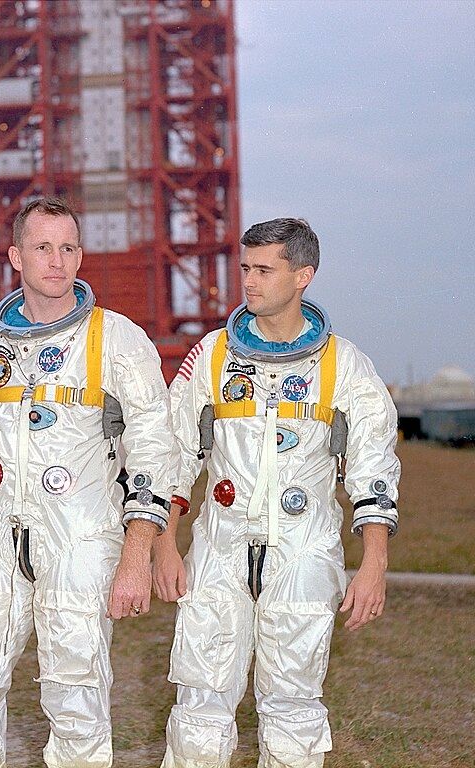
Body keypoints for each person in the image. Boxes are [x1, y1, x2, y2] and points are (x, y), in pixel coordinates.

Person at [0, 197, 178, 768]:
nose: (57, 261)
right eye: (43, 247)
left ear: (81, 256)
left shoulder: (116, 339)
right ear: (15, 256)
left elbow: (154, 454)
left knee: (76, 704)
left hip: (80, 543)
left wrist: (136, 557)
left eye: (67, 248)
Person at [154, 218, 400, 768]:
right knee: (200, 707)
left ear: (303, 275)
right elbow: (173, 455)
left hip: (303, 551)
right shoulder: (213, 357)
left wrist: (374, 563)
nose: (249, 281)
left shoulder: (344, 367)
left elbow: (373, 469)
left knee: (293, 709)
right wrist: (165, 544)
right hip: (219, 549)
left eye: (264, 270)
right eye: (246, 267)